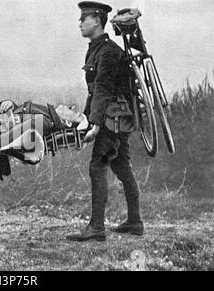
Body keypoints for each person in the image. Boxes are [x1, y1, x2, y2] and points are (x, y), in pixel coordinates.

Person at [64, 2, 144, 242]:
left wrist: (96, 124)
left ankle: (96, 228)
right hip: (116, 117)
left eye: (84, 19)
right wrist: (86, 119)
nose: (80, 23)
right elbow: (95, 91)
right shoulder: (99, 48)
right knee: (121, 166)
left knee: (97, 166)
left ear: (97, 20)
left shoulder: (107, 52)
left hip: (111, 120)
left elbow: (103, 89)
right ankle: (135, 222)